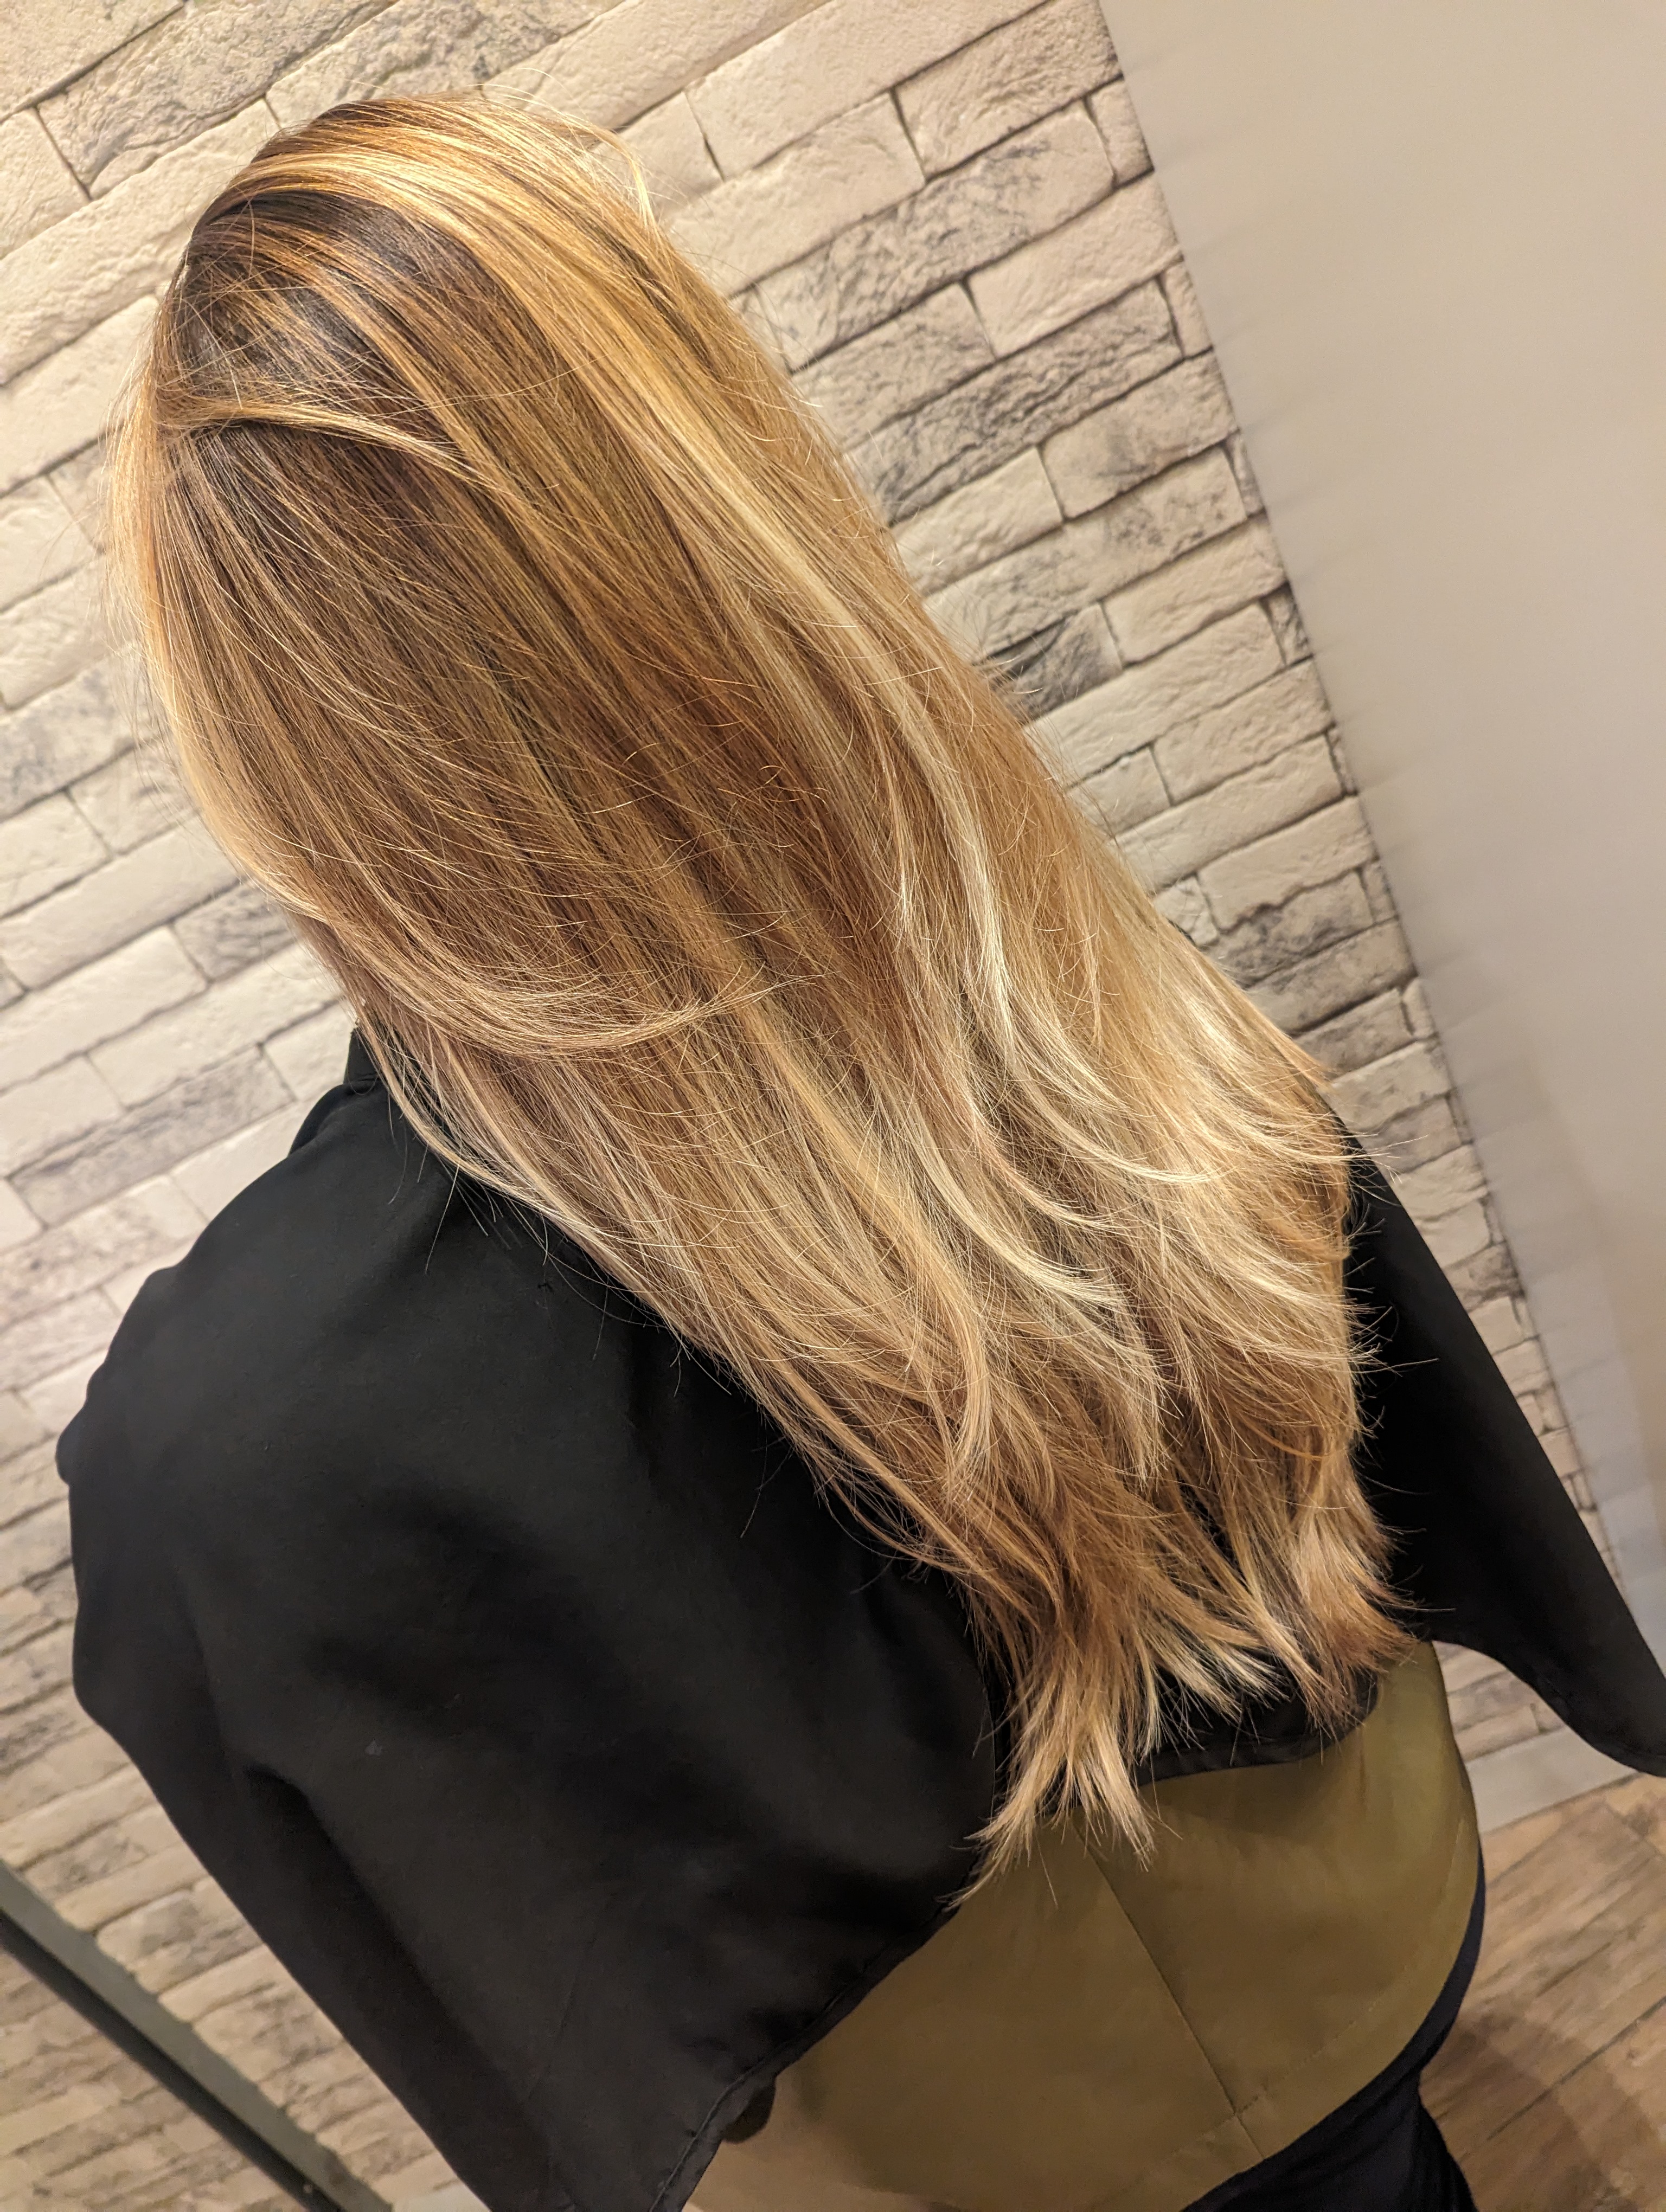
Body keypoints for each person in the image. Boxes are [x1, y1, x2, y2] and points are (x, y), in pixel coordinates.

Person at [60, 98, 1666, 2212]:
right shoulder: (1079, 999)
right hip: (1363, 1937)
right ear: (730, 490)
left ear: (274, 739)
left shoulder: (213, 1459)